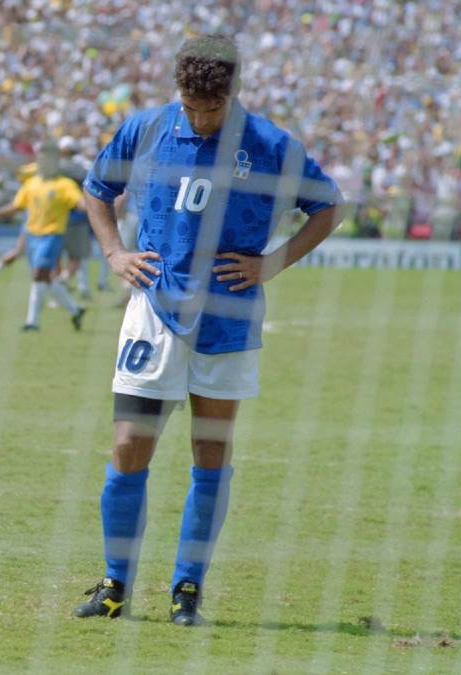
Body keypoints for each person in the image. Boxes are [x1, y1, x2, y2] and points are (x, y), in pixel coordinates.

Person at [75, 34, 342, 626]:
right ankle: (114, 584)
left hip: (229, 316)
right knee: (128, 446)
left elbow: (327, 206)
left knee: (211, 449)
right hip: (154, 309)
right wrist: (116, 253)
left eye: (212, 109)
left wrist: (272, 262)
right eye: (191, 107)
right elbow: (97, 191)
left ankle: (187, 589)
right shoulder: (145, 129)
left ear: (233, 93)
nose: (199, 118)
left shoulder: (271, 144)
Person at [0, 142, 86, 332]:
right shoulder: (31, 183)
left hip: (52, 235)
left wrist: (97, 208)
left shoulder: (64, 184)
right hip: (32, 235)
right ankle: (75, 310)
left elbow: (80, 203)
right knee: (46, 278)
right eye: (40, 159)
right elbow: (16, 206)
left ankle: (32, 322)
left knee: (39, 275)